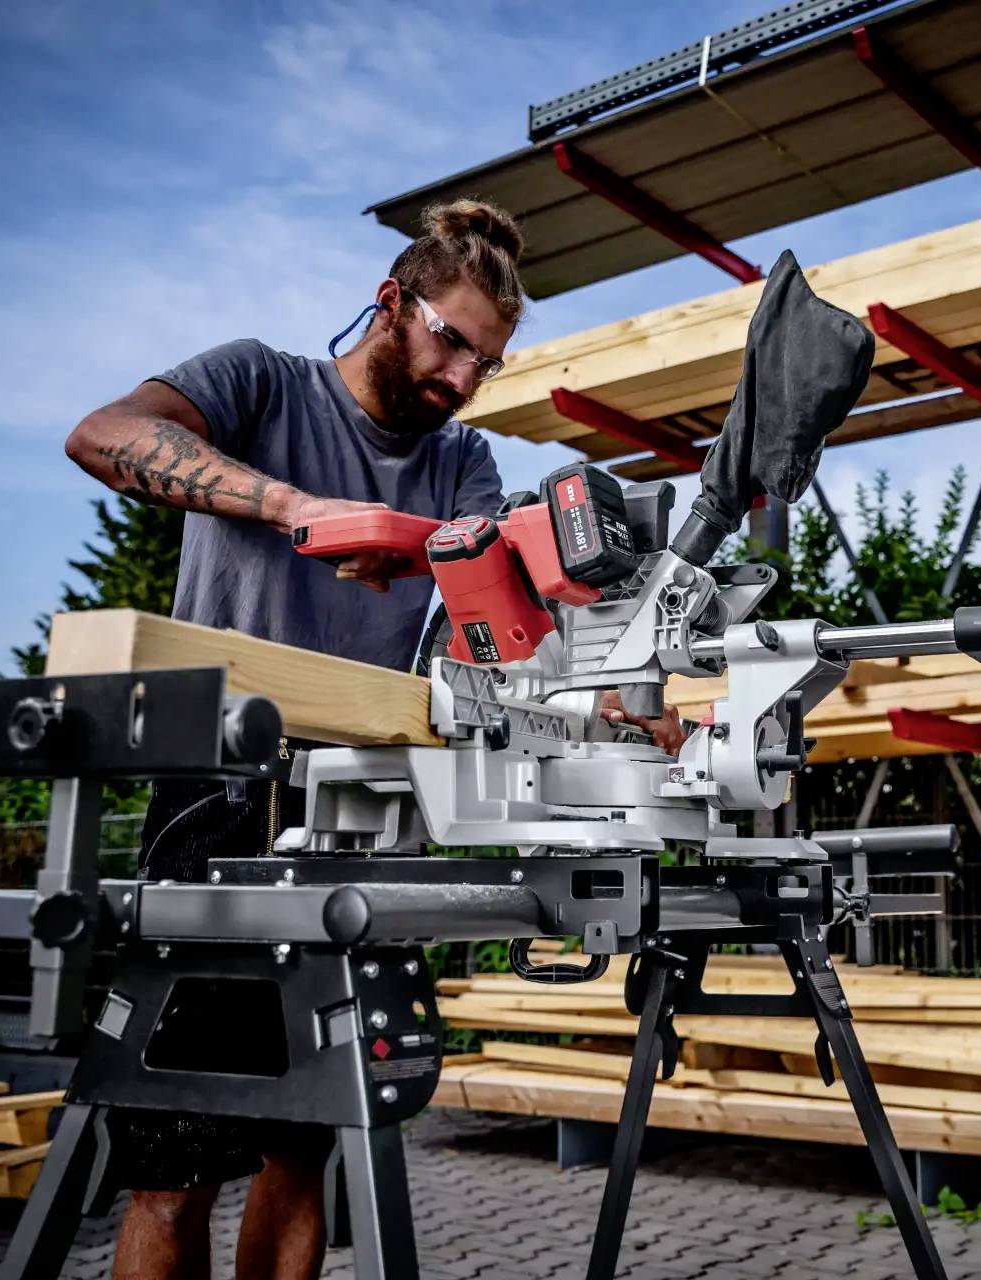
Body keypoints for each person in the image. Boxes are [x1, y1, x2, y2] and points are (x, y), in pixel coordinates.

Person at [63, 199, 681, 1280]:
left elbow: (511, 629)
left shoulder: (463, 463)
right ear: (392, 302)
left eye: (486, 363)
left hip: (359, 810)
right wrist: (291, 506)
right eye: (451, 342)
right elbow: (103, 434)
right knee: (175, 1162)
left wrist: (616, 688)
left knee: (303, 1153)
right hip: (217, 795)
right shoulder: (262, 382)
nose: (461, 380)